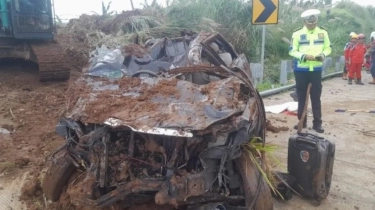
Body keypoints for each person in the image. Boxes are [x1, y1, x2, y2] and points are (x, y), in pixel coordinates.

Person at [289, 9, 332, 133]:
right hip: (301, 70)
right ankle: (302, 121)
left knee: (316, 97)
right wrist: (303, 56)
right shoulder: (297, 34)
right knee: (301, 97)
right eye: (309, 23)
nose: (311, 25)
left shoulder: (323, 32)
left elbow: (328, 47)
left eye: (313, 23)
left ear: (316, 21)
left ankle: (317, 123)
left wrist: (323, 55)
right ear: (304, 21)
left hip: (316, 70)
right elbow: (292, 50)